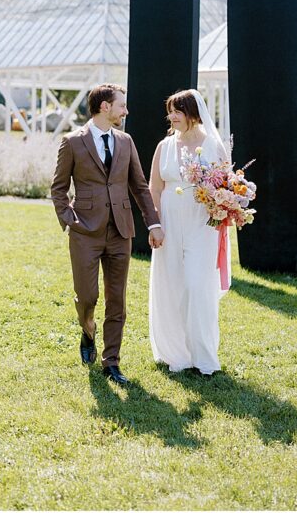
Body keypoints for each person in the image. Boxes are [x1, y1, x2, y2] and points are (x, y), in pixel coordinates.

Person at [50, 83, 164, 385]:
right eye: (121, 105)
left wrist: (153, 222)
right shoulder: (73, 142)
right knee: (87, 296)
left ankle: (111, 362)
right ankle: (88, 332)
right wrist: (69, 219)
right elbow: (58, 188)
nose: (126, 111)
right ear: (105, 107)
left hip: (120, 230)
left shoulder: (125, 142)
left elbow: (139, 186)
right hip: (85, 231)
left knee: (117, 300)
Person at [147, 88, 230, 376]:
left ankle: (203, 355)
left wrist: (223, 205)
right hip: (169, 219)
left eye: (177, 111)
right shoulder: (164, 146)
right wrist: (155, 223)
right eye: (170, 111)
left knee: (197, 284)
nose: (172, 117)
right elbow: (155, 188)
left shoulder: (213, 147)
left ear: (193, 114)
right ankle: (175, 353)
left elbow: (227, 187)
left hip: (202, 223)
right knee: (170, 283)